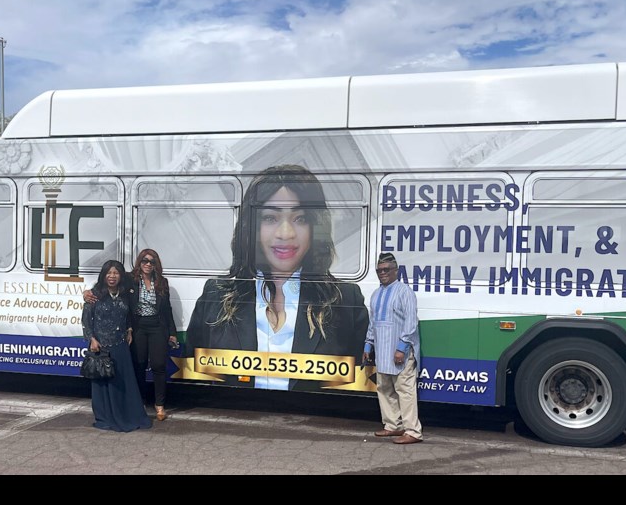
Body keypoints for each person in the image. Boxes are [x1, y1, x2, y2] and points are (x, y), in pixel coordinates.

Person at [185, 164, 368, 391]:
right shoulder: (216, 296)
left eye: (300, 219)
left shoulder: (345, 301)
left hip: (308, 423)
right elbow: (193, 374)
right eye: (270, 218)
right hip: (233, 423)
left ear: (315, 226)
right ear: (252, 226)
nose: (285, 233)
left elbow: (355, 385)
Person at [85, 249, 178, 421]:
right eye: (144, 261)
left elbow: (167, 310)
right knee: (139, 365)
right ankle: (140, 403)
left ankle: (159, 405)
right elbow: (108, 280)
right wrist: (86, 292)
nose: (148, 264)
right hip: (138, 327)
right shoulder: (131, 279)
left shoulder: (162, 282)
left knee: (158, 366)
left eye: (152, 261)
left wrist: (172, 333)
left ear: (156, 264)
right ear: (139, 263)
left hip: (157, 327)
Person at [81, 260, 152, 433]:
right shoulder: (94, 295)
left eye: (116, 273)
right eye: (109, 273)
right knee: (103, 384)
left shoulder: (124, 294)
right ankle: (105, 417)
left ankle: (127, 414)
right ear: (103, 275)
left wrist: (129, 329)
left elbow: (127, 315)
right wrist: (91, 339)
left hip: (120, 345)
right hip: (101, 346)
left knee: (123, 382)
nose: (112, 276)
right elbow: (86, 320)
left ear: (121, 276)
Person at [363, 252, 423, 444]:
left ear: (396, 270)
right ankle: (392, 426)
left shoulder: (404, 291)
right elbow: (373, 323)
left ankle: (413, 431)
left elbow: (411, 323)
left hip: (400, 352)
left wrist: (402, 347)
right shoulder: (376, 294)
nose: (383, 273)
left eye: (386, 269)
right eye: (379, 270)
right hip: (382, 351)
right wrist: (368, 344)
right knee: (384, 388)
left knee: (405, 390)